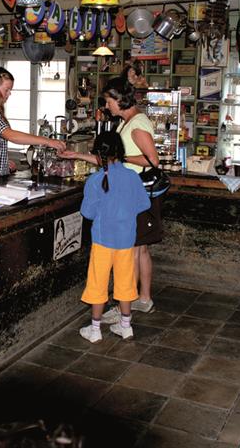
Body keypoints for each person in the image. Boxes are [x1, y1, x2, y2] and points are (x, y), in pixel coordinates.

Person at [60, 77, 161, 317]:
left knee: (133, 251)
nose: (106, 106)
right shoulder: (127, 122)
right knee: (138, 250)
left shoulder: (136, 124)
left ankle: (127, 305)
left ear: (119, 99)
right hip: (132, 192)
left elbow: (153, 160)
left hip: (134, 192)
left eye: (108, 101)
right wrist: (77, 155)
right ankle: (141, 300)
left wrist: (121, 158)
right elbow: (110, 159)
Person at [78, 131, 150, 343]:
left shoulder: (95, 180)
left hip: (102, 241)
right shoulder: (132, 177)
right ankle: (126, 327)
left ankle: (95, 330)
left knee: (97, 283)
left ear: (98, 154)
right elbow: (144, 204)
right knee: (126, 283)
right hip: (126, 240)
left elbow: (87, 213)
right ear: (121, 152)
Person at [0, 67, 66, 180]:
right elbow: (11, 135)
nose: (9, 93)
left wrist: (4, 162)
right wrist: (48, 141)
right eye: (6, 89)